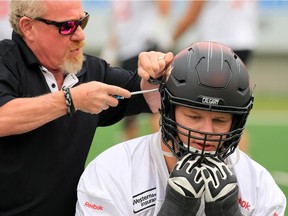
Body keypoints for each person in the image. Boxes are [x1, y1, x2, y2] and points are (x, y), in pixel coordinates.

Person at [0, 0, 173, 215]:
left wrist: (157, 71)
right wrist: (70, 100)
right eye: (67, 26)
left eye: (82, 22)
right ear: (28, 27)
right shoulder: (5, 62)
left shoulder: (89, 70)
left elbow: (149, 97)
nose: (80, 35)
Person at [76, 41, 286, 215]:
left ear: (237, 122)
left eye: (220, 120)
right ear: (168, 108)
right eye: (194, 116)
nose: (206, 131)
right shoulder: (112, 172)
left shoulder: (259, 185)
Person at [172, 0, 258, 154]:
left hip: (217, 46)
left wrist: (169, 39)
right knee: (232, 112)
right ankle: (238, 169)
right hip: (243, 41)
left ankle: (236, 168)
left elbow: (192, 14)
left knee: (204, 108)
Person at [107, 0, 172, 140]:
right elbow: (118, 22)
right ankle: (129, 158)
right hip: (126, 51)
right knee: (126, 108)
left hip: (145, 47)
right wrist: (111, 49)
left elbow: (164, 4)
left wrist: (160, 30)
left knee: (154, 105)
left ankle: (160, 153)